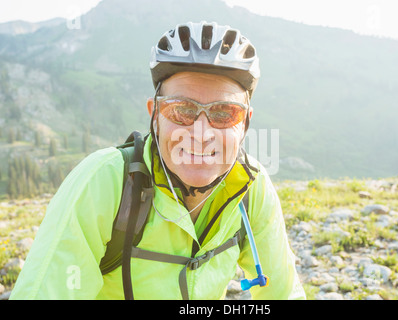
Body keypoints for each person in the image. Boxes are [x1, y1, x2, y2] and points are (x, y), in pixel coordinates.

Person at [10, 21, 305, 300]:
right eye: (181, 110)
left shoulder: (250, 187)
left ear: (245, 122)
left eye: (224, 113)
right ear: (155, 115)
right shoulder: (106, 181)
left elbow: (282, 293)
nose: (201, 134)